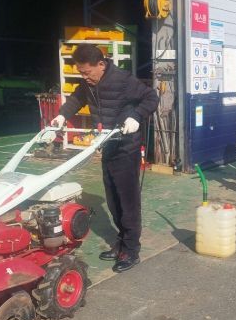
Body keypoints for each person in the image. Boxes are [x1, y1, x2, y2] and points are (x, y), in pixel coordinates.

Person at [51, 44, 158, 273]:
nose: (84, 77)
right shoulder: (89, 83)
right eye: (81, 73)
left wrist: (136, 116)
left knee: (128, 202)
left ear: (101, 64)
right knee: (113, 200)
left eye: (87, 72)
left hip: (126, 148)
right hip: (107, 146)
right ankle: (121, 242)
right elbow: (76, 99)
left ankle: (131, 250)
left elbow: (151, 97)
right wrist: (61, 116)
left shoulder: (123, 80)